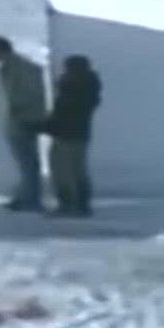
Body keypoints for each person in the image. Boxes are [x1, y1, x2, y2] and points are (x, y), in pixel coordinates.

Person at [0, 36, 48, 211]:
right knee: (26, 161)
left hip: (23, 118)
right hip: (23, 117)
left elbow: (27, 93)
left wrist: (13, 108)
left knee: (27, 161)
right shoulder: (16, 66)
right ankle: (26, 196)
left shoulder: (20, 67)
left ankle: (31, 198)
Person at [41, 55, 102, 217]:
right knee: (78, 170)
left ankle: (67, 204)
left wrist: (47, 126)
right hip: (80, 134)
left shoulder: (72, 89)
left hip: (65, 135)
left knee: (62, 171)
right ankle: (82, 204)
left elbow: (64, 113)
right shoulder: (89, 88)